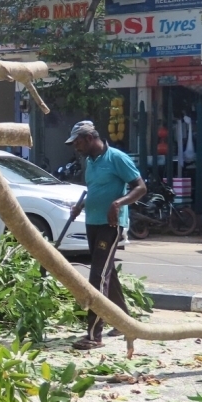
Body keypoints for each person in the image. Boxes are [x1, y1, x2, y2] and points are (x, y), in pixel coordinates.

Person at [65, 121, 147, 350]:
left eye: (78, 142)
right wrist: (80, 206)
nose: (75, 147)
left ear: (90, 138)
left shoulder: (117, 158)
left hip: (110, 225)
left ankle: (94, 335)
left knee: (97, 277)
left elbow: (140, 187)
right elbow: (94, 189)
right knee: (106, 273)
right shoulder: (90, 162)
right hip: (92, 221)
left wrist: (118, 203)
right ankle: (123, 321)